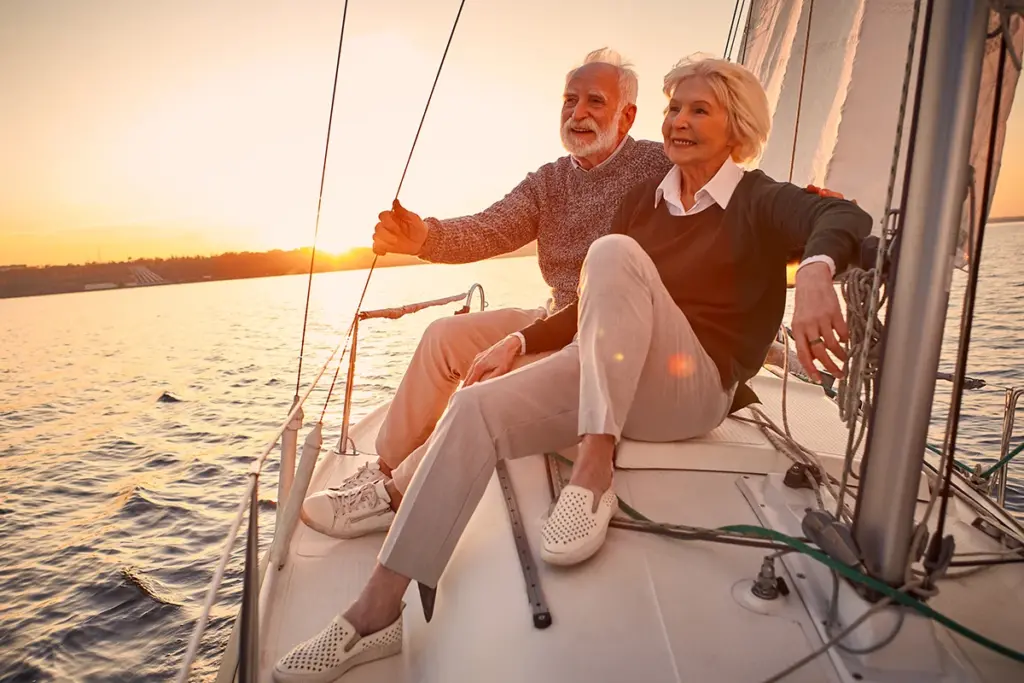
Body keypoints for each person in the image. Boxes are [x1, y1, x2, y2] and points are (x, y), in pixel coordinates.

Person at [273, 54, 871, 683]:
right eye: (675, 109)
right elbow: (592, 300)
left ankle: (594, 469)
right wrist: (521, 340)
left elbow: (843, 218)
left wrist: (813, 272)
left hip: (694, 389)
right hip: (617, 367)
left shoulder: (758, 198)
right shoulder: (647, 199)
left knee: (611, 252)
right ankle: (376, 613)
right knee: (476, 406)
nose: (680, 122)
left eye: (700, 110)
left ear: (737, 126)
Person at [300, 48, 840, 541]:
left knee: (509, 373)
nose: (577, 112)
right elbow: (490, 229)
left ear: (627, 116)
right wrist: (423, 238)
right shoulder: (550, 181)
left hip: (634, 337)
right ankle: (385, 469)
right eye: (569, 100)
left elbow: (749, 211)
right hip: (563, 315)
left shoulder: (666, 166)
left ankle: (408, 487)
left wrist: (813, 254)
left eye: (594, 101)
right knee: (445, 337)